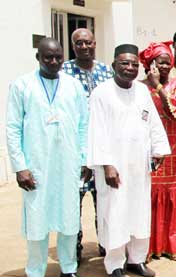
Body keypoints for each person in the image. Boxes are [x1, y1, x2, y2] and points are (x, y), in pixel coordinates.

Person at [7, 37, 90, 277]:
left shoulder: (74, 86)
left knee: (69, 218)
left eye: (58, 57)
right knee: (37, 220)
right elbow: (12, 128)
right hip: (36, 164)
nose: (53, 62)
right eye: (47, 57)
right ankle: (35, 274)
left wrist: (85, 158)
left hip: (68, 162)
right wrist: (20, 167)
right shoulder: (22, 85)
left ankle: (68, 268)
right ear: (38, 58)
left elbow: (83, 124)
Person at [88, 44, 171, 277]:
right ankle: (114, 264)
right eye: (125, 63)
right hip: (114, 166)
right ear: (114, 65)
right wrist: (106, 166)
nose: (130, 68)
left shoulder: (142, 92)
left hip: (138, 165)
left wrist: (159, 150)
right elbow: (97, 131)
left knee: (139, 210)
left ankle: (136, 259)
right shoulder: (101, 93)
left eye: (134, 64)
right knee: (114, 212)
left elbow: (153, 122)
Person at [62, 28, 114, 261]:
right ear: (73, 46)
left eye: (88, 42)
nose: (84, 47)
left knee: (103, 200)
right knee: (74, 203)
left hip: (102, 146)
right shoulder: (63, 72)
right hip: (74, 148)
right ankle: (74, 246)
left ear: (95, 43)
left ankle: (105, 243)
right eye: (79, 43)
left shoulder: (106, 71)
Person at [139, 41, 176, 261]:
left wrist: (158, 86)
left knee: (169, 195)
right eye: (161, 62)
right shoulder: (139, 87)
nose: (166, 66)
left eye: (168, 63)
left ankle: (170, 244)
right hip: (146, 148)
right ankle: (147, 247)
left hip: (171, 147)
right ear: (151, 64)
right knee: (148, 195)